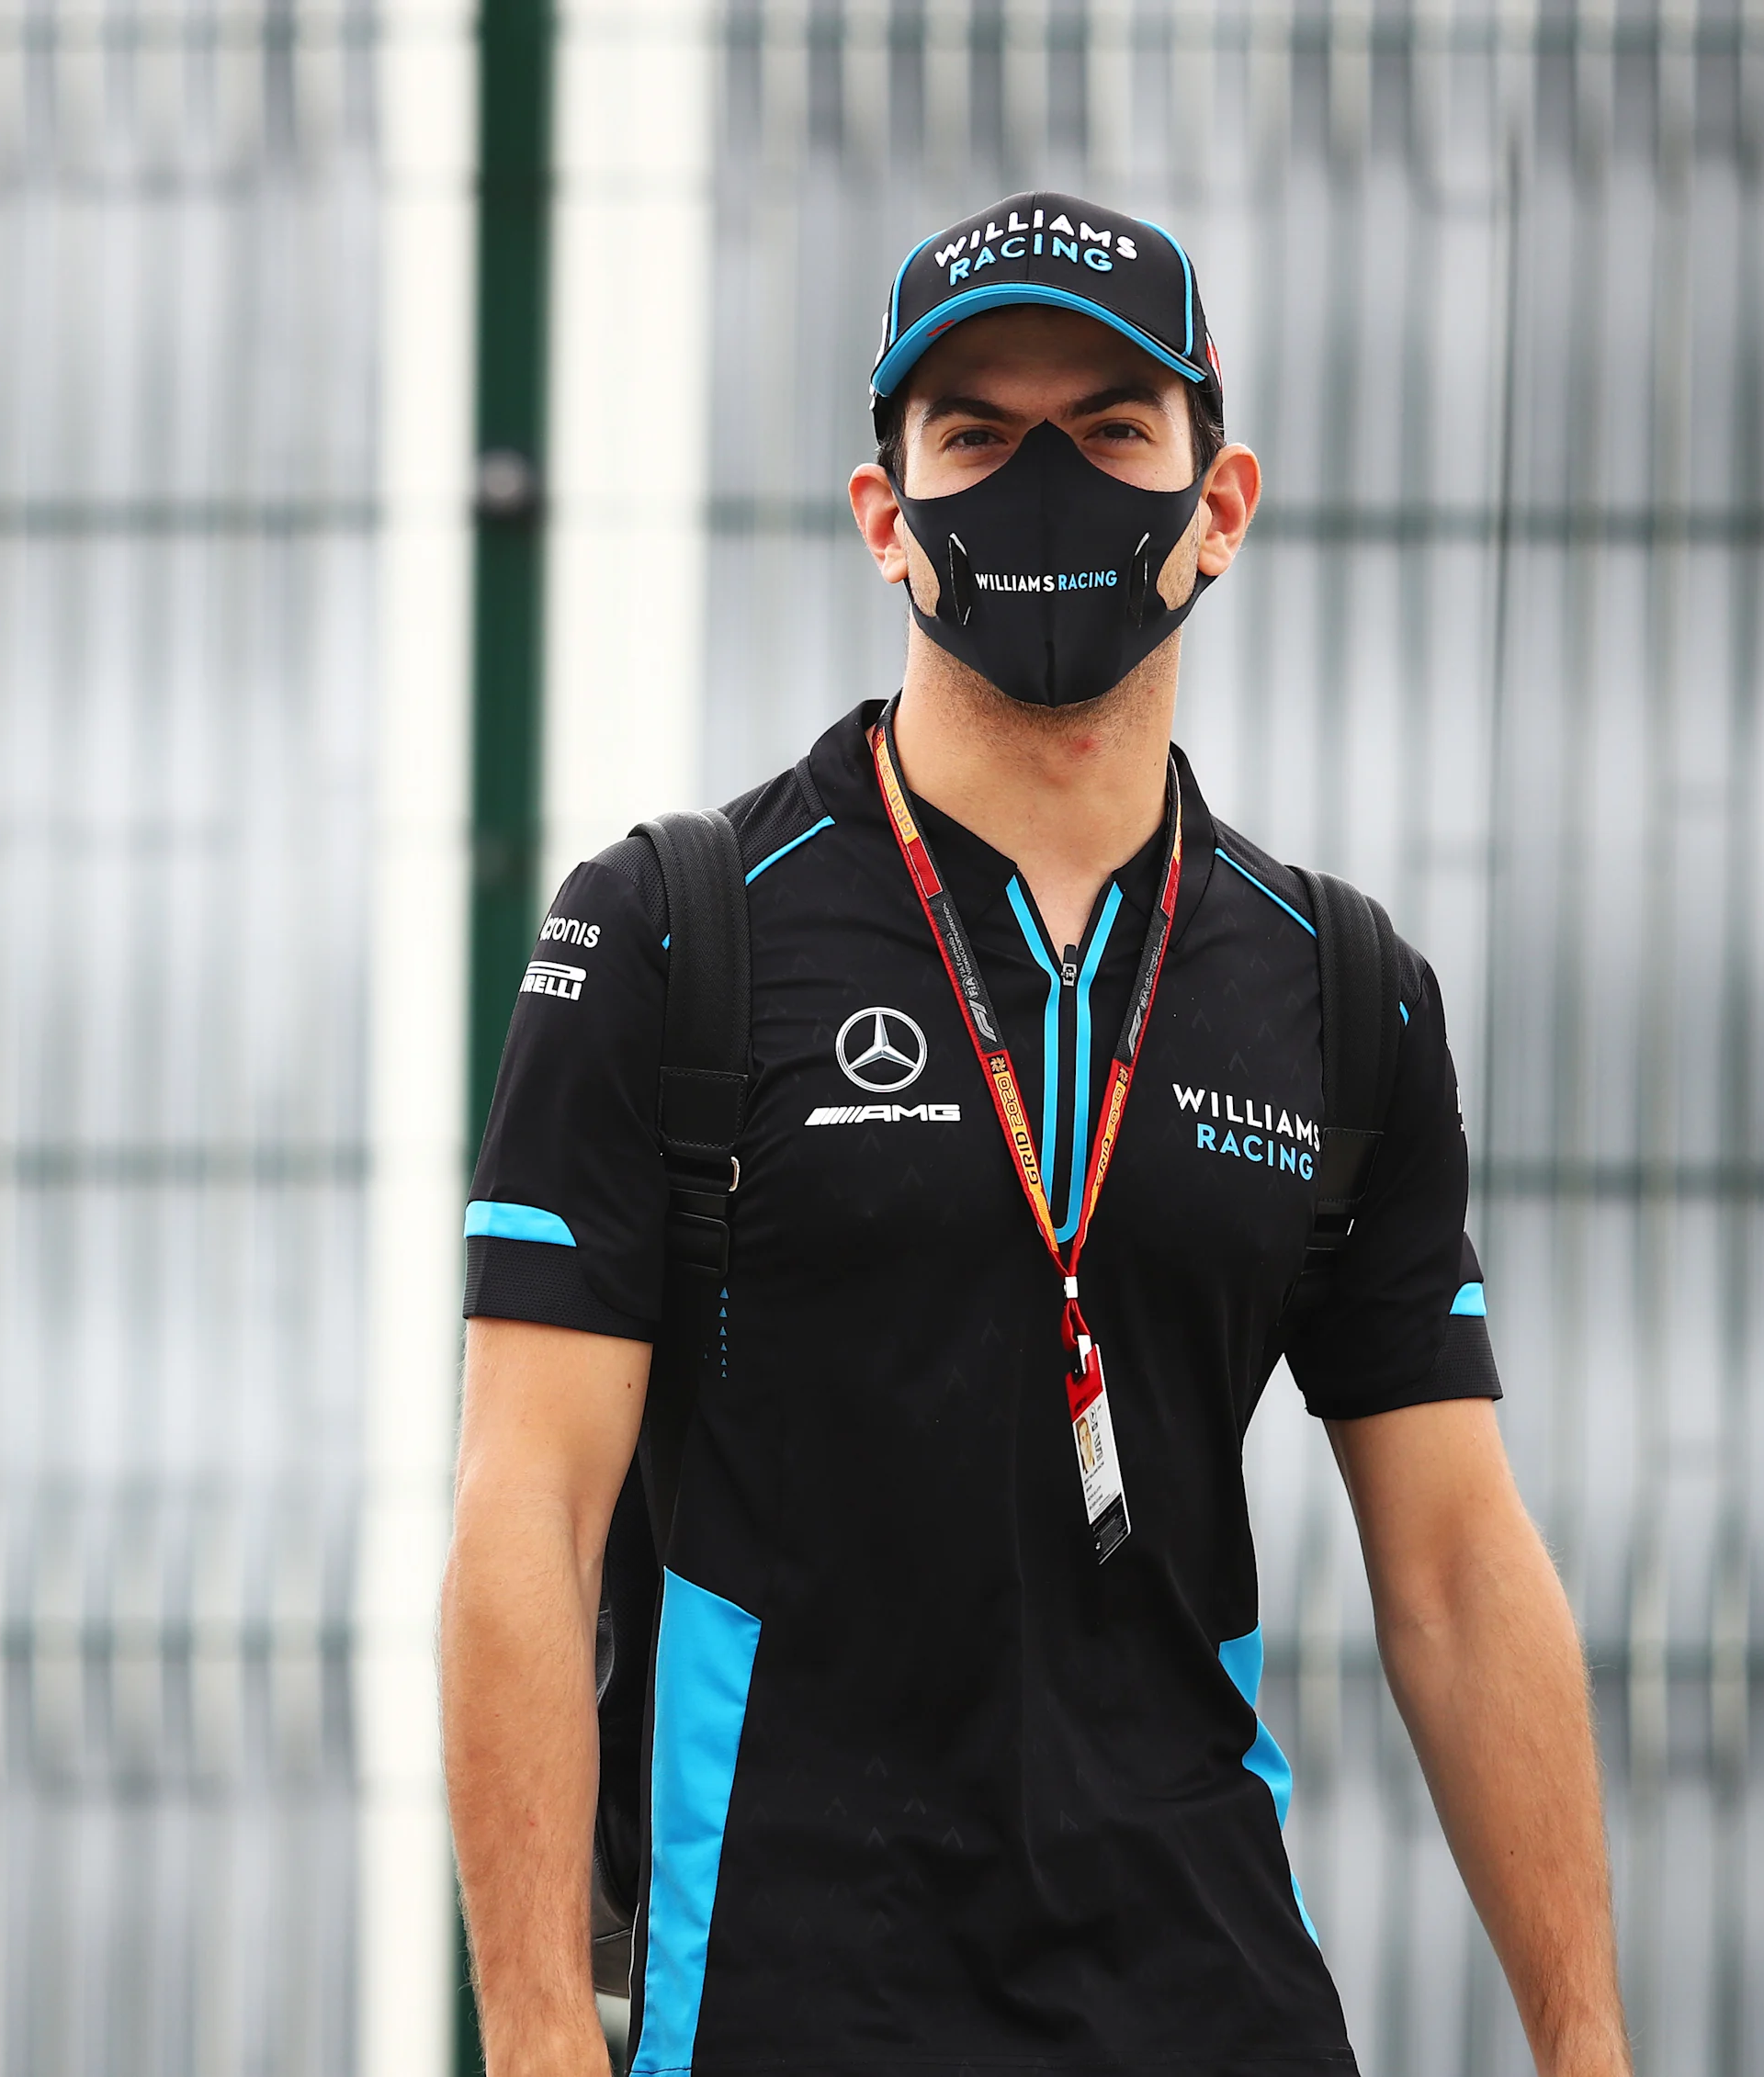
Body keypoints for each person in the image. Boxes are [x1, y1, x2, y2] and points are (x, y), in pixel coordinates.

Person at [441, 191, 1627, 2077]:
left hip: (1211, 2003)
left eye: (1109, 430)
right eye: (977, 436)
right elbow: (521, 1505)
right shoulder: (673, 928)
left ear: (1216, 501)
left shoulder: (1340, 988)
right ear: (882, 511)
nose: (1046, 482)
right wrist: (528, 2032)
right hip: (785, 1999)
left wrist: (1588, 2045)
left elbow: (1457, 1563)